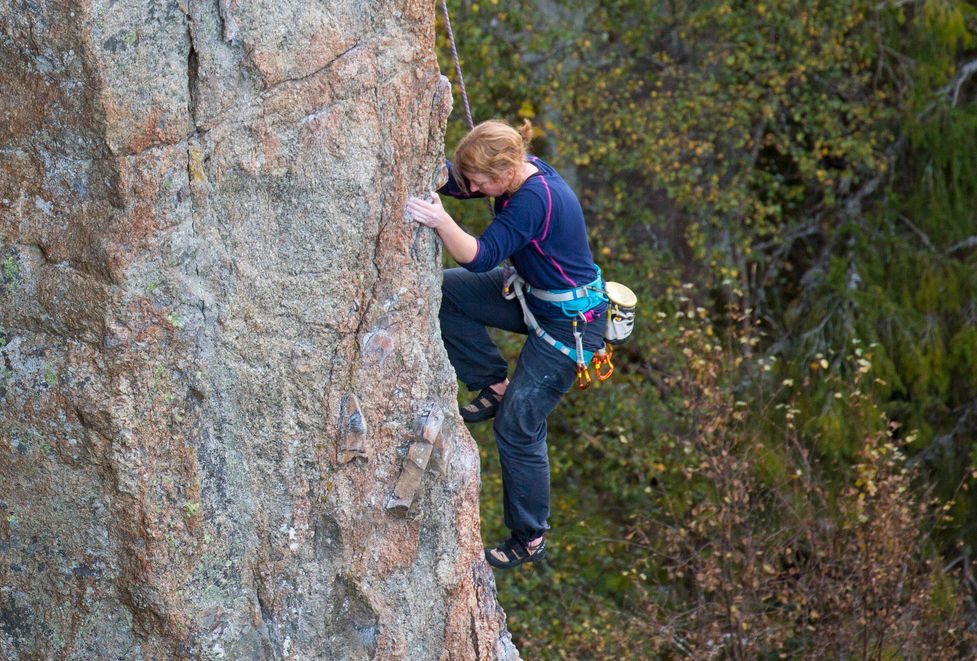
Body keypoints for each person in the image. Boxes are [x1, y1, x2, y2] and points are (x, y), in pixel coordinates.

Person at [405, 119, 606, 569]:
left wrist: (440, 219)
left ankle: (529, 535)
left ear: (502, 173)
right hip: (536, 296)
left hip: (570, 325)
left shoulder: (534, 200)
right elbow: (463, 183)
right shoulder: (517, 172)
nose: (472, 186)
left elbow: (477, 256)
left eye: (479, 179)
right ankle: (491, 384)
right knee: (447, 295)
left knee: (517, 424)